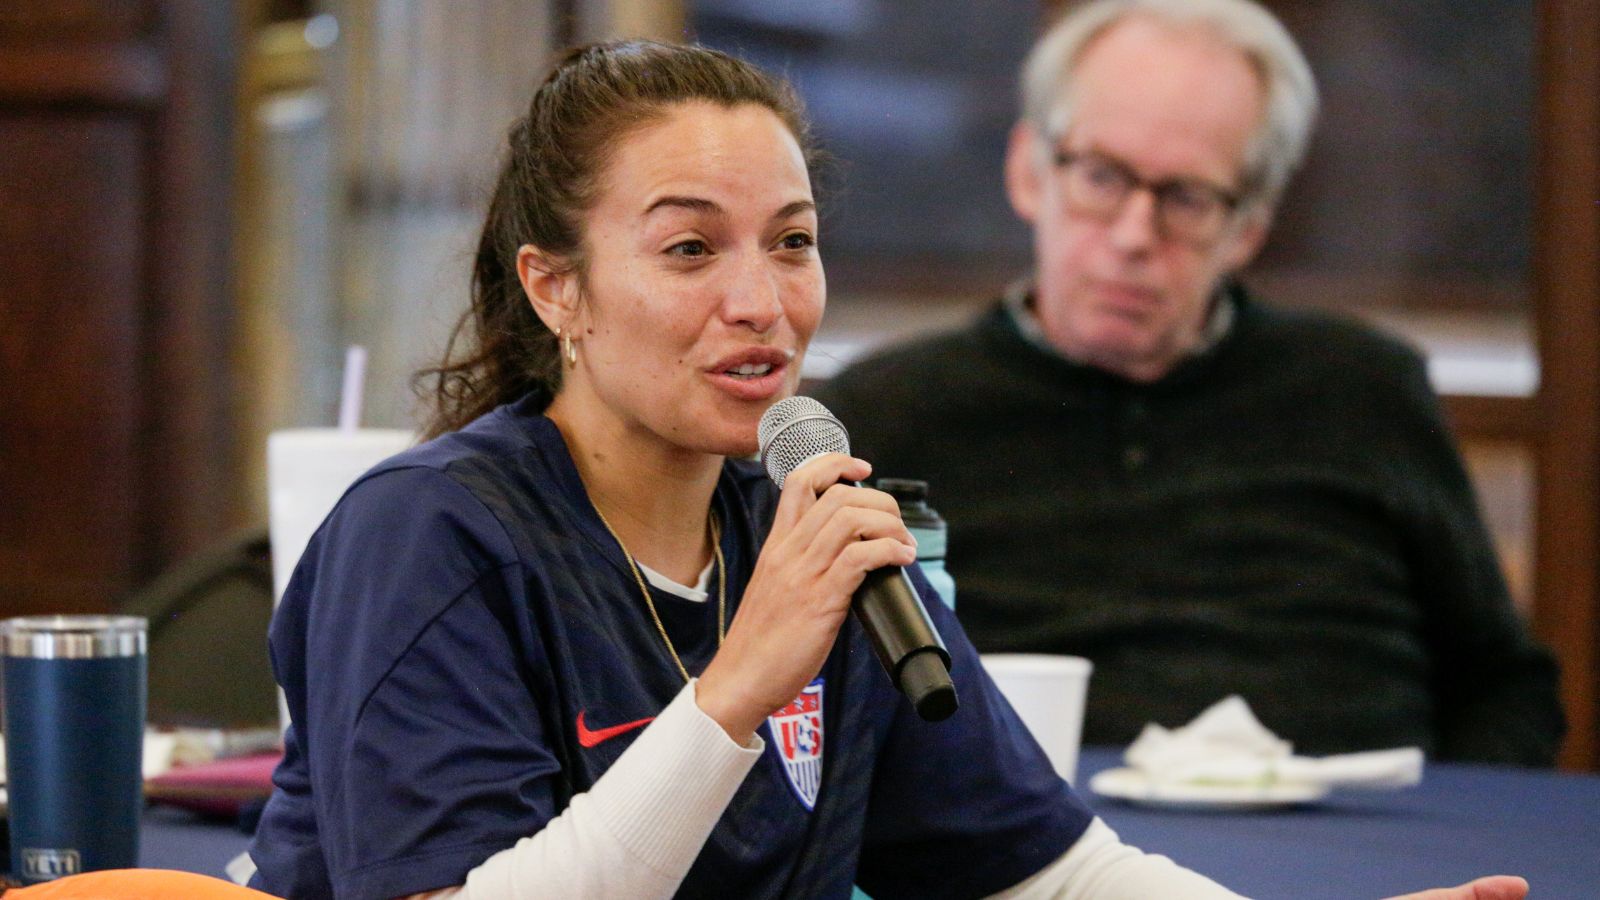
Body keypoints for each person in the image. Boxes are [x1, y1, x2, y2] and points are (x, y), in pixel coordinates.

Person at [242, 39, 1529, 900]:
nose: (761, 300)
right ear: (558, 287)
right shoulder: (430, 537)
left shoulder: (811, 531)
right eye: (690, 250)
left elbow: (1053, 878)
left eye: (791, 243)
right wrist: (738, 686)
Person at [814, 0, 1564, 765]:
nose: (1135, 236)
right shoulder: (887, 415)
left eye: (1187, 197)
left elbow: (1505, 687)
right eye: (1101, 176)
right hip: (1035, 856)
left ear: (1249, 229)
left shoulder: (1364, 390)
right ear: (1027, 171)